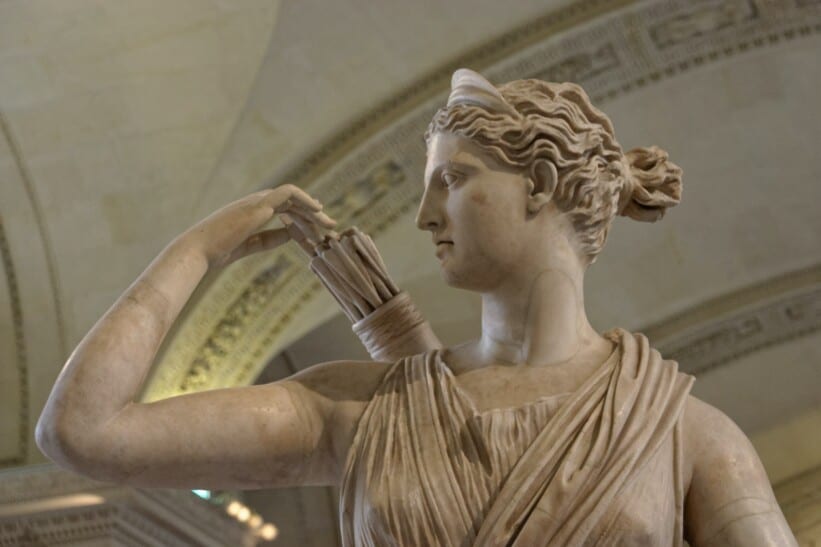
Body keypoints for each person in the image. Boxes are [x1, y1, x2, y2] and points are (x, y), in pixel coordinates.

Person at [36, 69, 796, 546]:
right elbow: (83, 431)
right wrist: (199, 249)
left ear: (539, 183)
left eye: (453, 180)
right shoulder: (362, 408)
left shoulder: (682, 431)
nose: (426, 216)